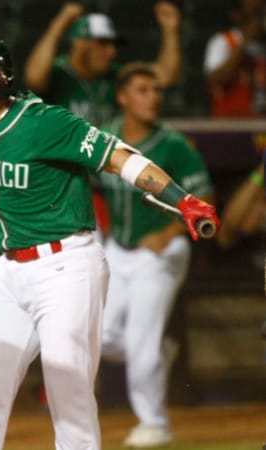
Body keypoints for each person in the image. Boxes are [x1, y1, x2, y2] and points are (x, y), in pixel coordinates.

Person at [0, 33, 219, 449]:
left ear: (2, 81)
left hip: (66, 269)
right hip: (9, 271)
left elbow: (118, 156)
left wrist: (181, 198)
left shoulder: (46, 122)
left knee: (69, 389)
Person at [97, 62, 215, 448]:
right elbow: (88, 185)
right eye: (142, 90)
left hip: (162, 249)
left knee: (140, 338)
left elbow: (204, 199)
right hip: (120, 247)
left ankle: (155, 423)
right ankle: (160, 352)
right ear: (123, 97)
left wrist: (168, 231)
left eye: (156, 90)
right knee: (99, 335)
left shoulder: (174, 144)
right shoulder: (105, 137)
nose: (153, 97)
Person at [23, 2, 182, 126]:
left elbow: (164, 77)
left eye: (112, 44)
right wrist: (58, 25)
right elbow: (34, 77)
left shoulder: (113, 75)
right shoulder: (60, 72)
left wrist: (170, 30)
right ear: (80, 45)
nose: (112, 52)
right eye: (102, 44)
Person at [204, 0, 266, 117]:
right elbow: (216, 79)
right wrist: (244, 43)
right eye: (252, 12)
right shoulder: (223, 41)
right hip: (231, 126)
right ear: (236, 14)